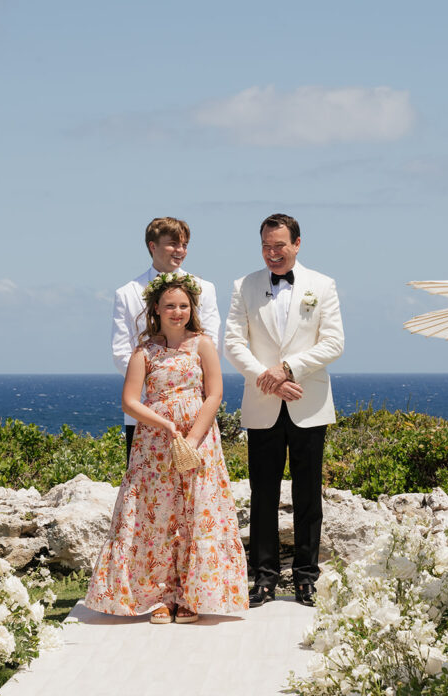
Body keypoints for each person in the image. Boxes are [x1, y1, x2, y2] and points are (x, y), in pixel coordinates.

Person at [85, 272, 248, 623]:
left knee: (196, 513)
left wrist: (191, 439)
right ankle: (158, 597)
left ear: (192, 309)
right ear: (156, 309)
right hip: (154, 446)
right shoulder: (143, 352)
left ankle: (192, 596)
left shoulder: (203, 344)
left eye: (183, 306)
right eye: (170, 305)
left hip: (199, 440)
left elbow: (215, 393)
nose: (177, 312)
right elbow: (130, 402)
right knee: (156, 517)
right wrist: (164, 425)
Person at [224, 212, 344, 608]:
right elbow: (233, 343)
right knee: (262, 495)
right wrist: (268, 376)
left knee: (309, 496)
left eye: (279, 246)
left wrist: (289, 369)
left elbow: (333, 343)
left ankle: (307, 577)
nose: (272, 254)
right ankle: (263, 577)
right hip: (262, 405)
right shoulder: (245, 285)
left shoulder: (322, 285)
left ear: (296, 243)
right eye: (266, 246)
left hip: (308, 405)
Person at [112, 217, 221, 460]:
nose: (180, 250)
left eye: (184, 244)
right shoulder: (127, 293)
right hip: (145, 408)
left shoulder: (205, 288)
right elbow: (121, 351)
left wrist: (182, 391)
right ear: (153, 246)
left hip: (195, 410)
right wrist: (157, 390)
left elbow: (211, 344)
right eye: (173, 244)